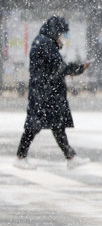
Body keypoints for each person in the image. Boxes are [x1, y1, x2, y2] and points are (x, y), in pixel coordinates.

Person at [14, 15, 91, 170]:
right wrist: (80, 68)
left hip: (46, 92)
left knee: (56, 125)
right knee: (35, 125)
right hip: (44, 93)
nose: (63, 39)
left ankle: (71, 157)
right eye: (62, 35)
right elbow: (60, 68)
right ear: (56, 32)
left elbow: (56, 68)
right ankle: (20, 157)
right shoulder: (46, 44)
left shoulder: (44, 42)